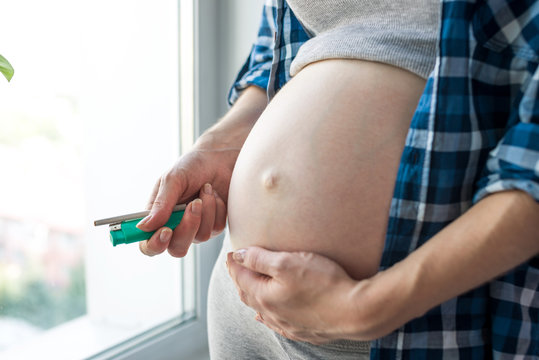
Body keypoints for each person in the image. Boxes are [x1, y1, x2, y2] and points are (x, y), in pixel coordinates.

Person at [138, 0, 539, 359]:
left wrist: (364, 306)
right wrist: (220, 143)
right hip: (242, 307)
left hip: (403, 321)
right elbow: (287, 41)